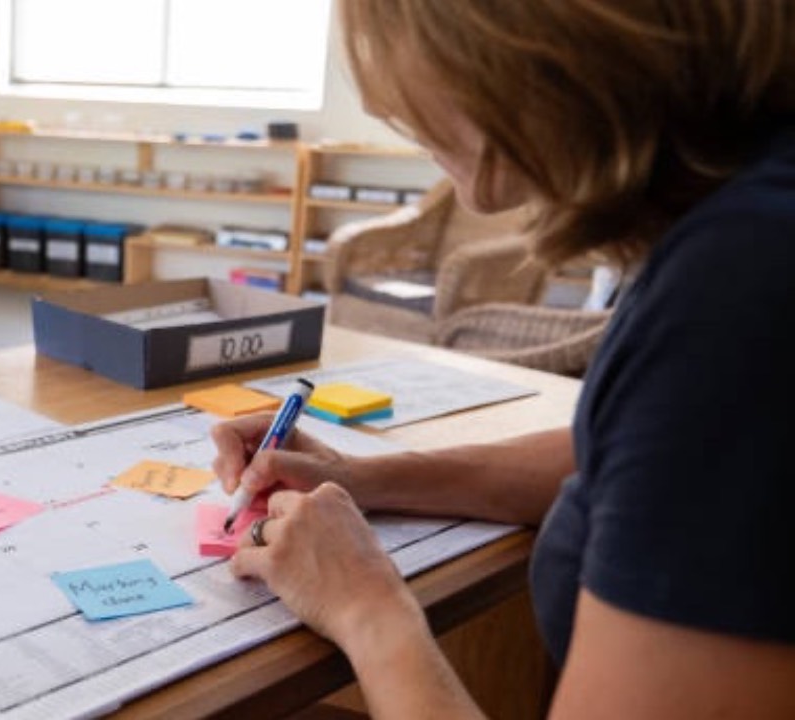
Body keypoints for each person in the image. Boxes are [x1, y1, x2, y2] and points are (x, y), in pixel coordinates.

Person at [211, 1, 795, 717]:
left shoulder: (742, 289)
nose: (381, 99)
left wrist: (367, 605)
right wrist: (364, 478)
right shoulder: (747, 215)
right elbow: (635, 460)